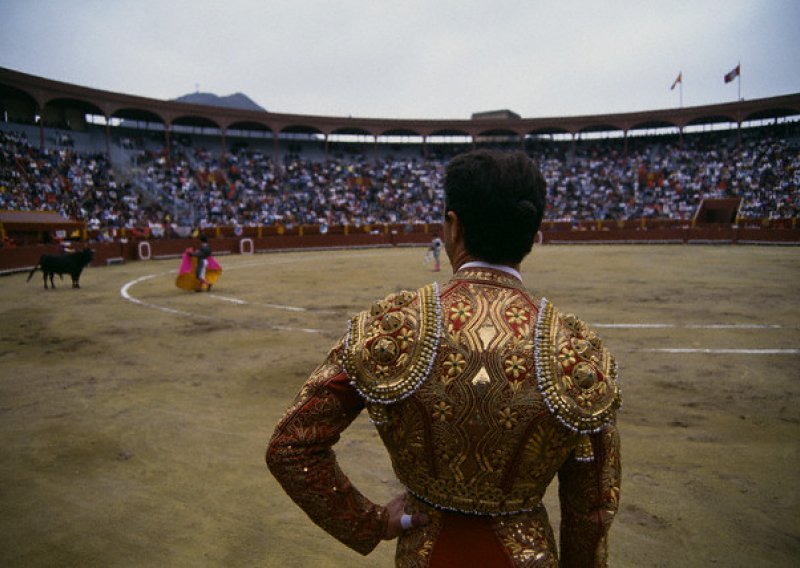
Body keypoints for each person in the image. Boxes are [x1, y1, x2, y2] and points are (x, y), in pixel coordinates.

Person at [266, 150, 622, 566]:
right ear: (532, 233)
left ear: (453, 227)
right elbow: (591, 511)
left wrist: (372, 522)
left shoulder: (394, 327)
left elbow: (290, 446)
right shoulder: (575, 353)